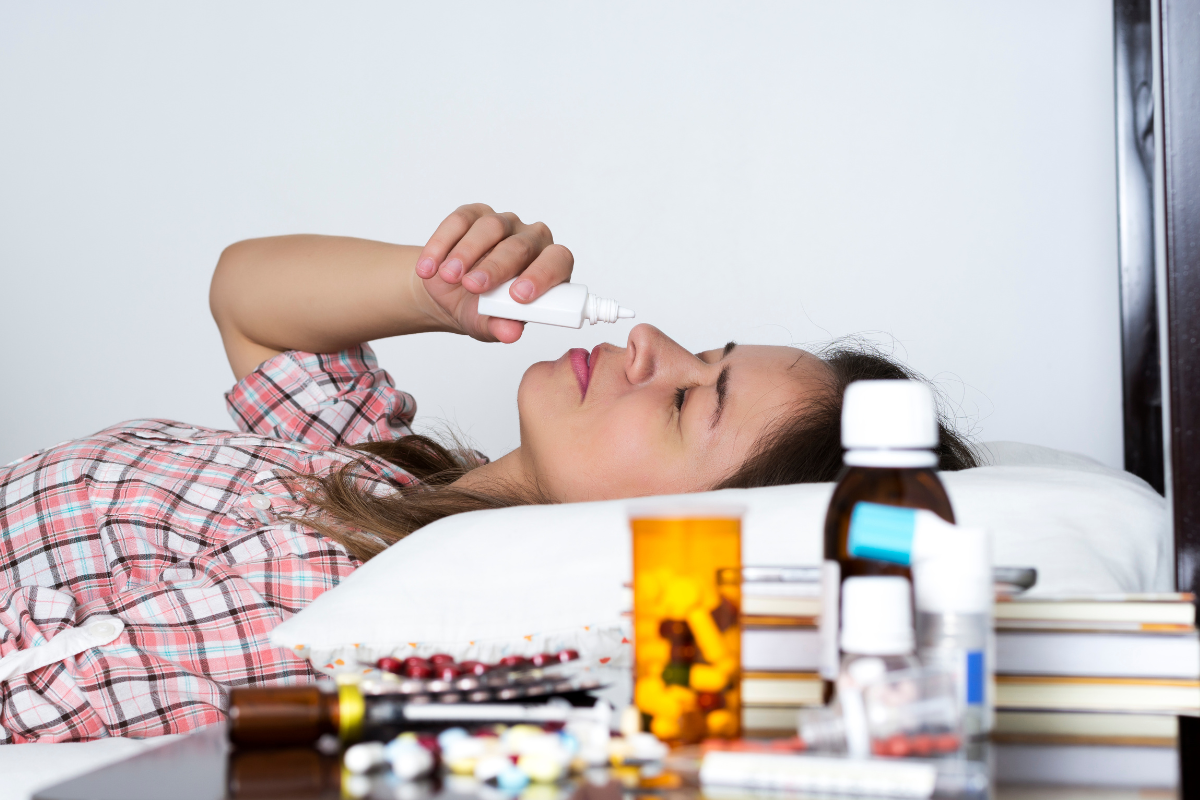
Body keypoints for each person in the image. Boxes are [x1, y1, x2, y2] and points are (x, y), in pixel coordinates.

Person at [0, 204, 976, 742]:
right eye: (701, 350)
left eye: (688, 401)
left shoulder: (351, 623)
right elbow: (248, 300)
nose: (648, 342)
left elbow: (37, 690)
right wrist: (436, 294)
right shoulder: (383, 468)